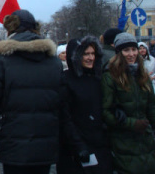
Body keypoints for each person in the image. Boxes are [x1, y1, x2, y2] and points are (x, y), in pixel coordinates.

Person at [0, 9, 64, 174]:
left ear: (10, 30)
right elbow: (61, 100)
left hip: (13, 138)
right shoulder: (54, 62)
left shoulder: (2, 60)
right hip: (46, 138)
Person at [57, 36, 113, 173]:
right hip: (75, 149)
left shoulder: (98, 78)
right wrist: (78, 145)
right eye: (85, 54)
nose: (90, 58)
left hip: (99, 144)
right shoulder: (65, 80)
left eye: (93, 53)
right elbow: (65, 118)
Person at [101, 32, 155, 173]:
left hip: (146, 139)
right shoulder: (110, 77)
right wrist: (131, 123)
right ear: (119, 53)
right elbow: (106, 112)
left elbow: (151, 107)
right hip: (122, 142)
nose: (131, 54)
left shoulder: (143, 75)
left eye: (134, 49)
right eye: (126, 50)